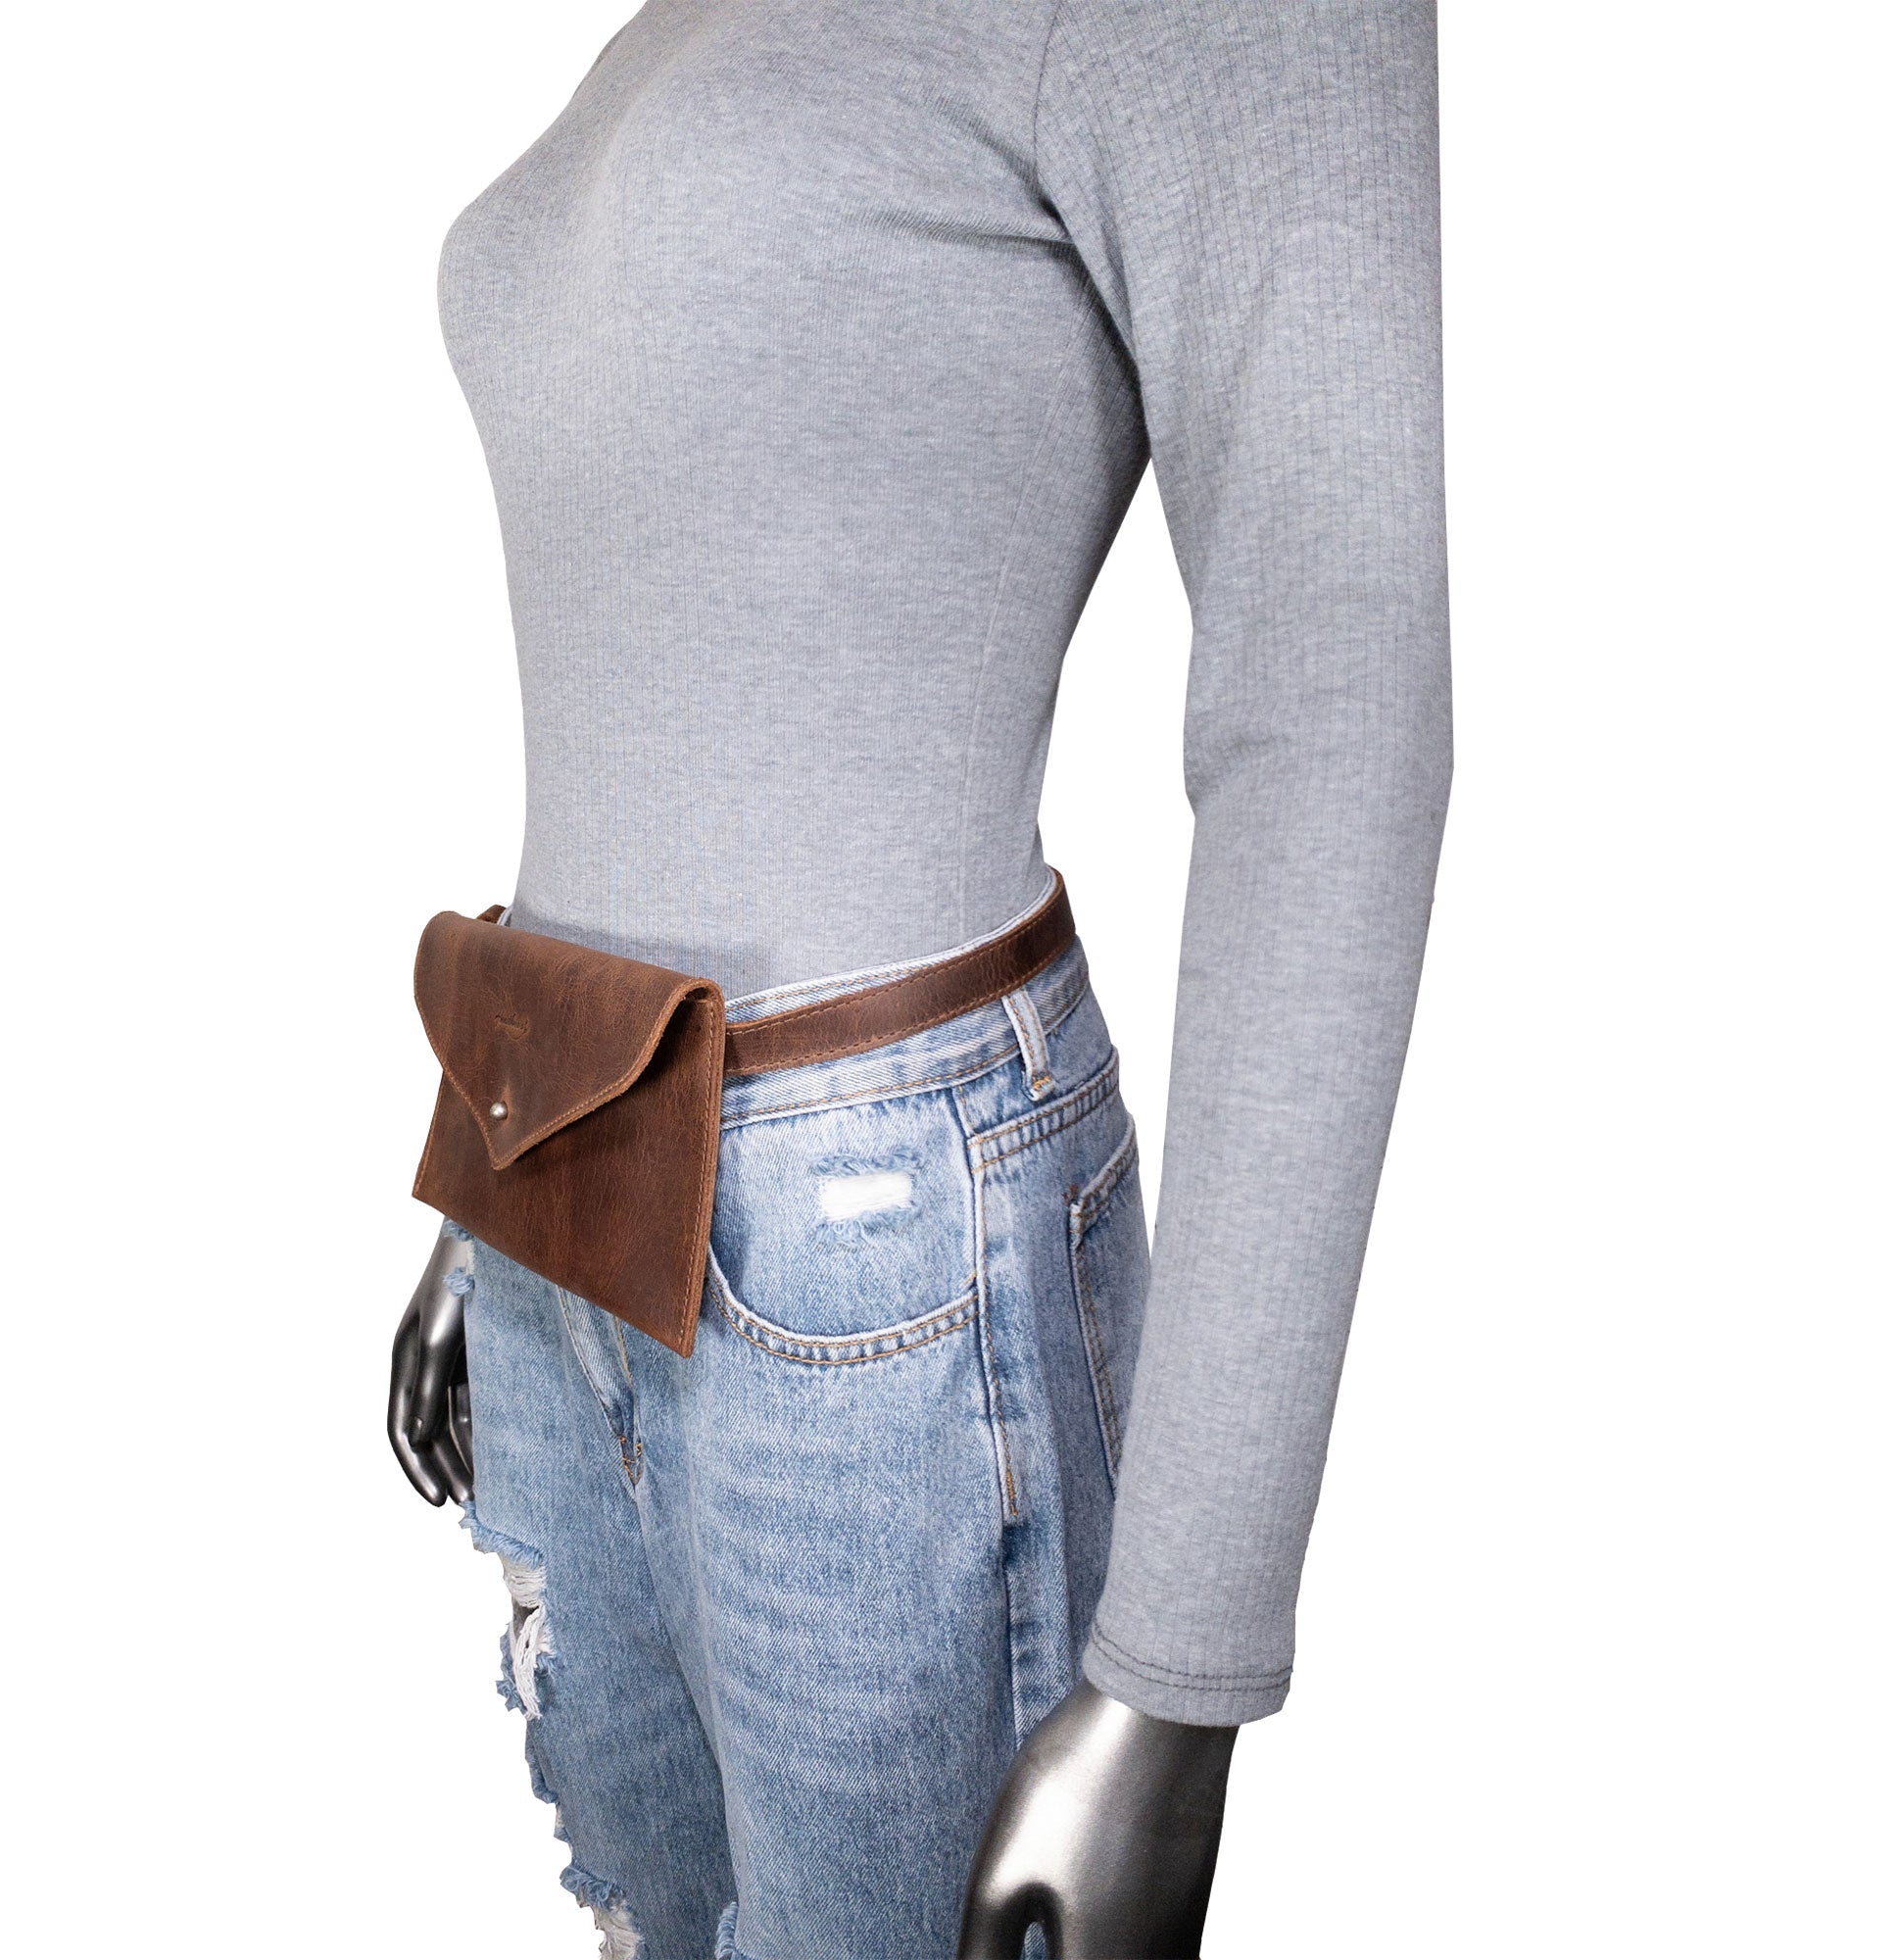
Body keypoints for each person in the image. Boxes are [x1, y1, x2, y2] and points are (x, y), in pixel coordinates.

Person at [388, 5, 1449, 1955]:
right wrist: (504, 1177)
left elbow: (1335, 712)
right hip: (558, 1174)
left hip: (870, 1256)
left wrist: (1178, 1669)